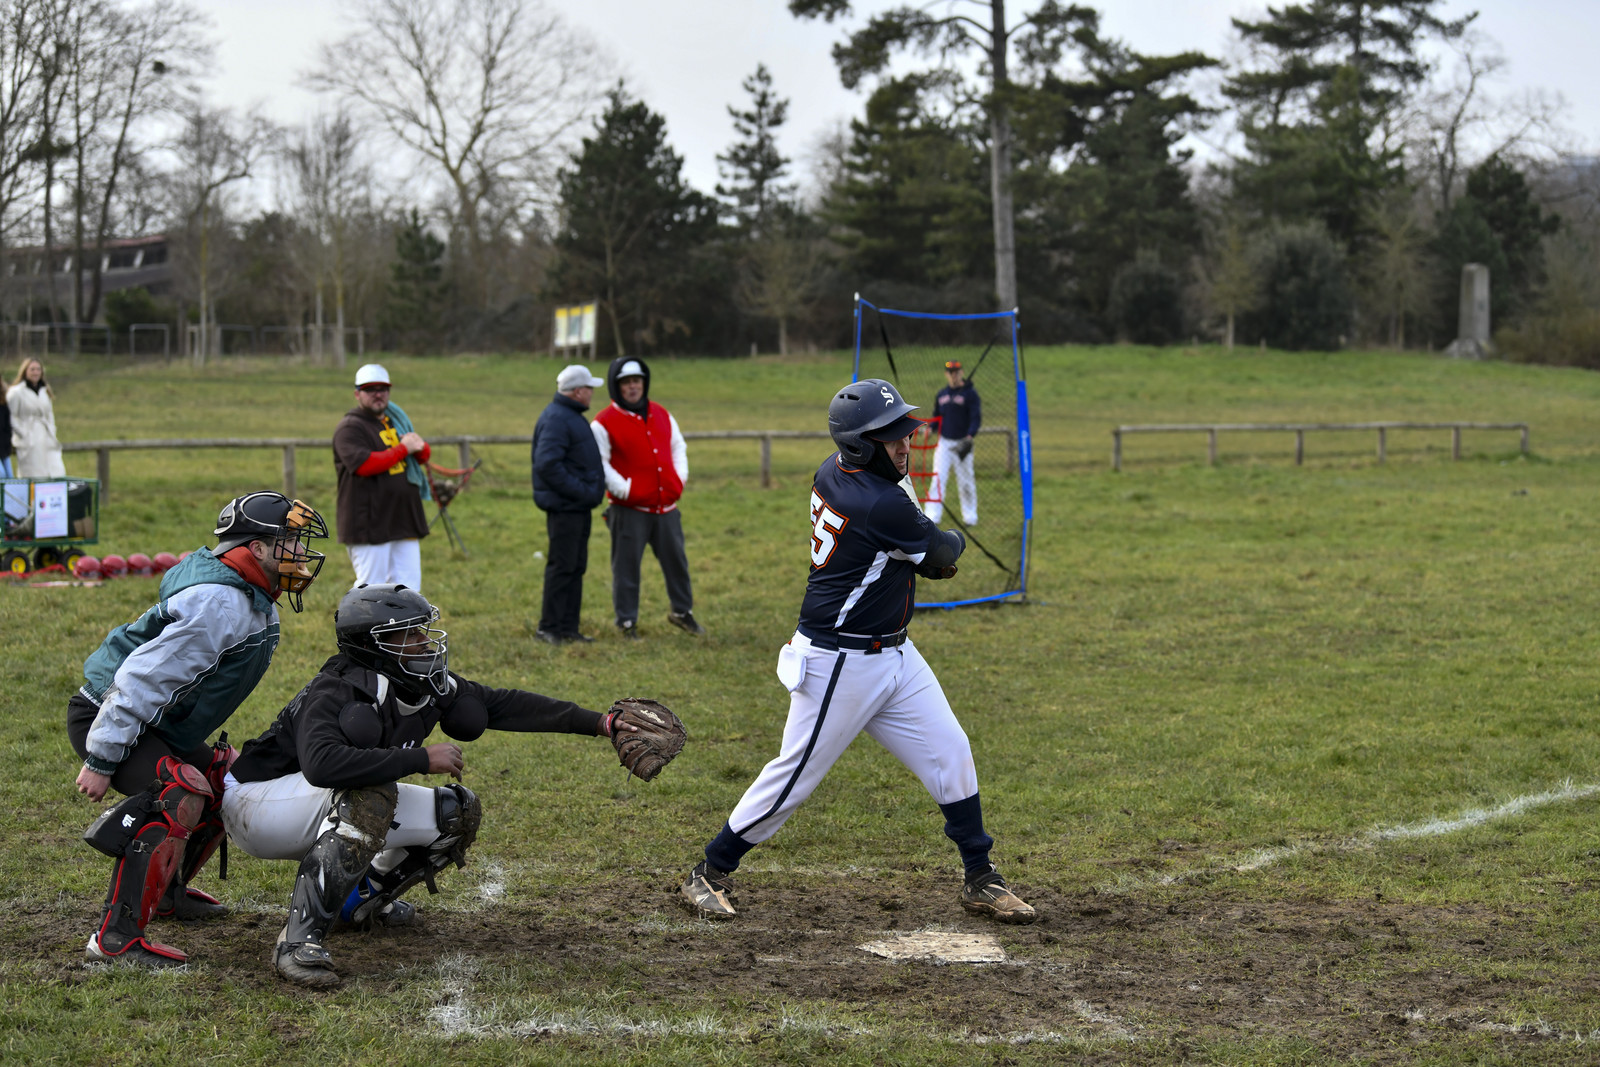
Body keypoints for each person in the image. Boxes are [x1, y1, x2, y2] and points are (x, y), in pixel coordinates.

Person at [679, 379, 1035, 925]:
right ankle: (709, 869)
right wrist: (940, 547)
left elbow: (923, 557)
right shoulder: (879, 502)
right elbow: (941, 553)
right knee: (795, 775)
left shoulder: (837, 469)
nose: (903, 444)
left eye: (902, 432)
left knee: (951, 751)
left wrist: (925, 553)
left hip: (894, 653)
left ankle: (980, 876)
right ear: (859, 446)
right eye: (888, 437)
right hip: (837, 660)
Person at [221, 583, 637, 987]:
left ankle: (359, 905)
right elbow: (321, 765)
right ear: (373, 644)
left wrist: (602, 723)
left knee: (456, 813)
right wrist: (421, 759)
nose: (424, 641)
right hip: (257, 806)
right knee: (371, 794)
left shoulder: (421, 682)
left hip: (317, 802)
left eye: (423, 629)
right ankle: (296, 943)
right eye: (409, 633)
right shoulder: (338, 687)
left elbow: (503, 705)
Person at [68, 491, 329, 967]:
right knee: (180, 792)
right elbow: (140, 680)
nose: (298, 552)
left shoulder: (251, 591)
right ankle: (116, 939)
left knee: (222, 776)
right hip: (111, 715)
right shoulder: (221, 602)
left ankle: (168, 894)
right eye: (287, 540)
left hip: (155, 723)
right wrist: (102, 756)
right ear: (255, 548)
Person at [591, 357, 705, 640]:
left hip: (667, 508)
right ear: (617, 387)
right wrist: (626, 490)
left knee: (677, 562)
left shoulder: (661, 413)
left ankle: (682, 611)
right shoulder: (603, 422)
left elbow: (678, 447)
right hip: (629, 510)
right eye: (627, 382)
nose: (633, 387)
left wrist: (678, 480)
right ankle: (626, 621)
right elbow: (601, 464)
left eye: (637, 381)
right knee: (627, 568)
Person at [333, 363, 432, 590]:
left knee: (408, 591)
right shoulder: (350, 428)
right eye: (370, 389)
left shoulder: (395, 422)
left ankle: (406, 628)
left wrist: (415, 448)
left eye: (383, 388)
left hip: (403, 519)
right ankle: (363, 628)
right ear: (357, 394)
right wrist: (403, 449)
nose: (378, 394)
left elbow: (422, 455)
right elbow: (364, 465)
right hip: (369, 523)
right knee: (371, 592)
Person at [531, 364, 607, 646]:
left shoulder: (569, 416)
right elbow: (548, 464)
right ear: (578, 391)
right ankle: (548, 628)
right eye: (589, 388)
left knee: (575, 567)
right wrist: (583, 491)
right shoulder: (558, 419)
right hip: (566, 508)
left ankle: (568, 629)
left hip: (576, 508)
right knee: (562, 567)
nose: (592, 393)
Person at [923, 359, 980, 526]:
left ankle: (970, 516)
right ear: (946, 374)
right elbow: (937, 416)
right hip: (945, 443)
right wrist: (931, 428)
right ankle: (932, 515)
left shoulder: (970, 394)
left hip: (962, 443)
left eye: (956, 372)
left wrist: (970, 435)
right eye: (950, 372)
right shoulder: (942, 395)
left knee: (966, 481)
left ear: (961, 372)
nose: (954, 375)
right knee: (938, 478)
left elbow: (975, 418)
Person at [7, 357, 65, 477]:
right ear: (25, 371)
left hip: (46, 436)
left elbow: (49, 414)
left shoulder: (45, 391)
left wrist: (52, 430)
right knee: (33, 475)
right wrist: (23, 434)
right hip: (29, 439)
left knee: (55, 472)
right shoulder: (17, 392)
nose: (35, 372)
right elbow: (11, 416)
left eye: (38, 369)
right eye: (32, 369)